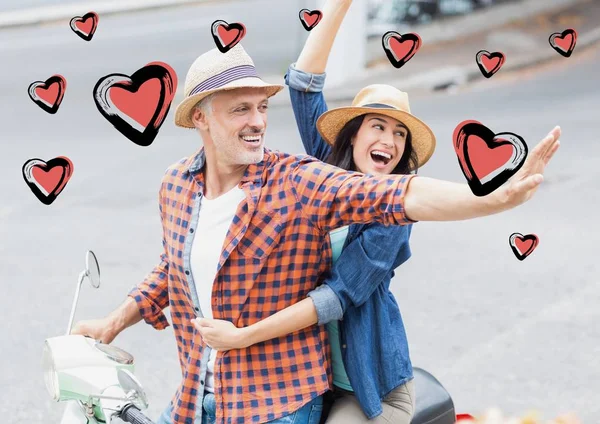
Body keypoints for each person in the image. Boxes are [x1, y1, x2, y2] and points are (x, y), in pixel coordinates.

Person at [71, 35, 561, 424]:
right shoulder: (176, 186)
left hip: (293, 397)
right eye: (241, 109)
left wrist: (492, 197)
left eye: (262, 107)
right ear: (200, 117)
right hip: (197, 396)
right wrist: (114, 320)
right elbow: (173, 267)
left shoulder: (302, 181)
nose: (258, 121)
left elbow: (401, 198)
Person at [191, 0, 428, 422]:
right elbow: (303, 84)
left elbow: (337, 297)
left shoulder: (394, 216)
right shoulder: (328, 171)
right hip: (308, 380)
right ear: (354, 136)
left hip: (369, 388)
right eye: (378, 126)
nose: (389, 142)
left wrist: (243, 337)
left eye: (399, 135)